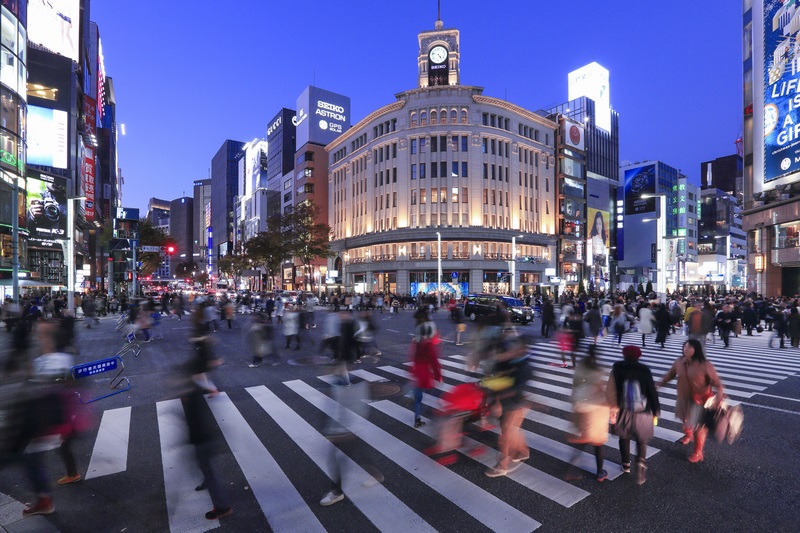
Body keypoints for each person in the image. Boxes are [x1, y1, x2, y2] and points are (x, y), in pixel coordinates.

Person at [658, 339, 724, 463]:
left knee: (699, 427)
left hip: (700, 401)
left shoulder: (705, 365)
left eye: (690, 347)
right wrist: (659, 384)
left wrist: (719, 397)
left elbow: (718, 384)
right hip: (683, 398)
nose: (686, 349)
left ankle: (698, 452)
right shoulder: (679, 362)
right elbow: (670, 375)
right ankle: (689, 434)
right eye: (685, 347)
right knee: (685, 420)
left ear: (697, 349)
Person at [606, 345, 660, 485]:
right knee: (642, 440)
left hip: (623, 410)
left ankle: (626, 464)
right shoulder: (644, 370)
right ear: (638, 356)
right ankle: (641, 461)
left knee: (624, 437)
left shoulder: (617, 368)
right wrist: (655, 410)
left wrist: (611, 409)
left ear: (624, 355)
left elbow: (610, 391)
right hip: (643, 411)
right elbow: (651, 392)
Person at [484, 336, 532, 477]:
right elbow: (495, 381)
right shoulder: (507, 362)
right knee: (510, 431)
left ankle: (502, 466)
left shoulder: (524, 367)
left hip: (514, 404)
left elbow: (513, 389)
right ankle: (523, 452)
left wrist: (496, 401)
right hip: (508, 402)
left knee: (505, 436)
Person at [566, 345, 610, 482]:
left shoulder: (580, 369)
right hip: (594, 410)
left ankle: (571, 470)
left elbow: (575, 386)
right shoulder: (596, 371)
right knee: (598, 442)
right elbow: (600, 390)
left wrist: (574, 405)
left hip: (580, 406)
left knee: (583, 439)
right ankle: (599, 472)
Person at [410, 309, 441, 428]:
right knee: (435, 394)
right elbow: (434, 361)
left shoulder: (417, 343)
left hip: (417, 372)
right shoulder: (429, 345)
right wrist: (438, 375)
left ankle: (417, 419)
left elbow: (412, 356)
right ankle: (438, 416)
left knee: (418, 399)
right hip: (425, 374)